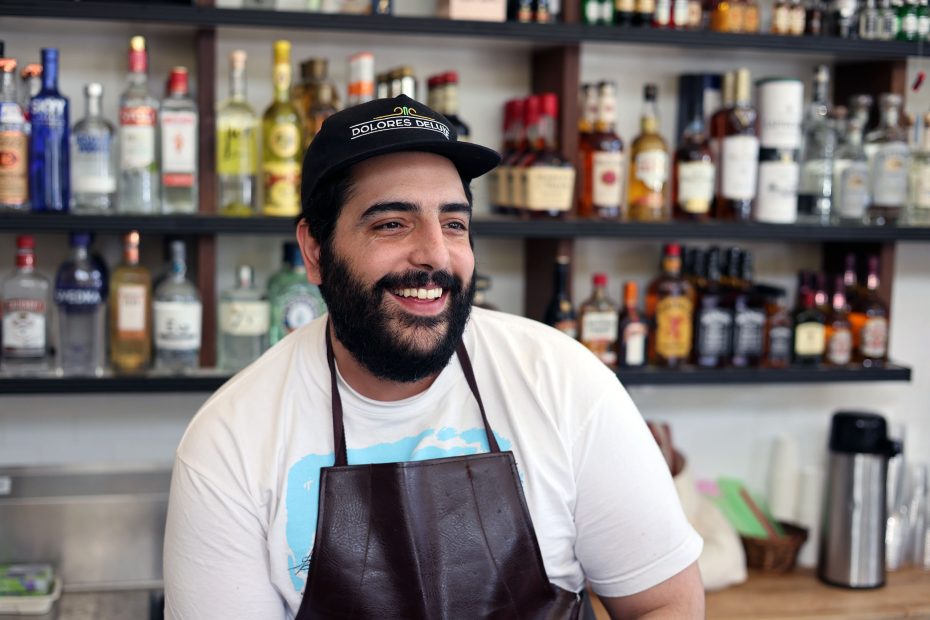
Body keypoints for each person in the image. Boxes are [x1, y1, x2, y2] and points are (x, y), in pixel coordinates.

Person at [164, 94, 704, 619]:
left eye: (454, 223)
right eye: (392, 223)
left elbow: (664, 603)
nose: (436, 254)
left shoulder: (563, 381)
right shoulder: (231, 440)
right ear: (315, 250)